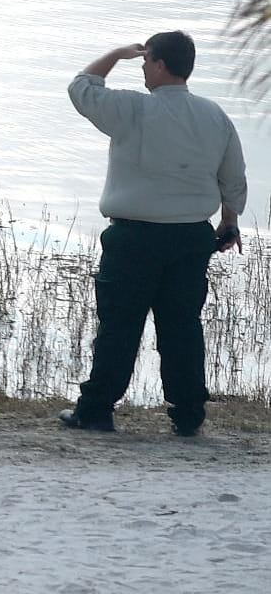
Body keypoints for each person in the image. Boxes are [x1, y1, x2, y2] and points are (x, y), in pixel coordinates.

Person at [61, 32, 248, 437]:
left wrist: (115, 53)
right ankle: (188, 415)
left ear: (160, 65)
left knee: (119, 326)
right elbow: (232, 178)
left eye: (147, 60)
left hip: (134, 238)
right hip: (190, 237)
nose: (143, 66)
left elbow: (81, 88)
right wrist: (229, 222)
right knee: (182, 327)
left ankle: (95, 410)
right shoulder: (214, 115)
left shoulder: (132, 109)